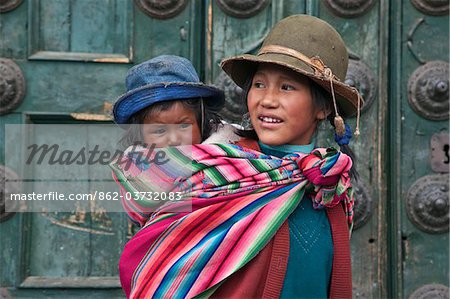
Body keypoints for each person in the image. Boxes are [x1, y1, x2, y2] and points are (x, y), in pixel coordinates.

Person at [110, 14, 362, 299]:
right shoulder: (214, 176)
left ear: (324, 108)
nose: (267, 99)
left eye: (287, 87)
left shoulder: (328, 184)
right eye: (259, 84)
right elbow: (156, 271)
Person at [111, 54, 225, 297]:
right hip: (165, 255)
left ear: (201, 121)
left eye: (183, 126)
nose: (173, 139)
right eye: (159, 130)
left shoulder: (225, 158)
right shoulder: (138, 167)